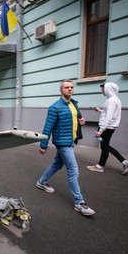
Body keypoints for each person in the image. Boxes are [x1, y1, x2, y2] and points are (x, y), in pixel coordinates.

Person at [36, 79, 95, 216]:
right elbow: (48, 127)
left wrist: (82, 122)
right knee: (73, 170)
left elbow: (75, 120)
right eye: (66, 87)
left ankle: (42, 182)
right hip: (62, 143)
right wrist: (43, 145)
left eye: (71, 87)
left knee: (57, 164)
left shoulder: (73, 104)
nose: (69, 89)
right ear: (61, 90)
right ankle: (79, 202)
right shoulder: (55, 107)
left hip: (71, 141)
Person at [86, 82, 128, 175]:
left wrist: (101, 130)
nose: (102, 91)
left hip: (106, 127)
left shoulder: (111, 100)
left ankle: (100, 166)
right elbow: (108, 113)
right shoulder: (116, 100)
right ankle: (124, 162)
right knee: (105, 146)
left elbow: (109, 116)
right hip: (109, 127)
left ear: (108, 89)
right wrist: (99, 110)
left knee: (105, 147)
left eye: (103, 89)